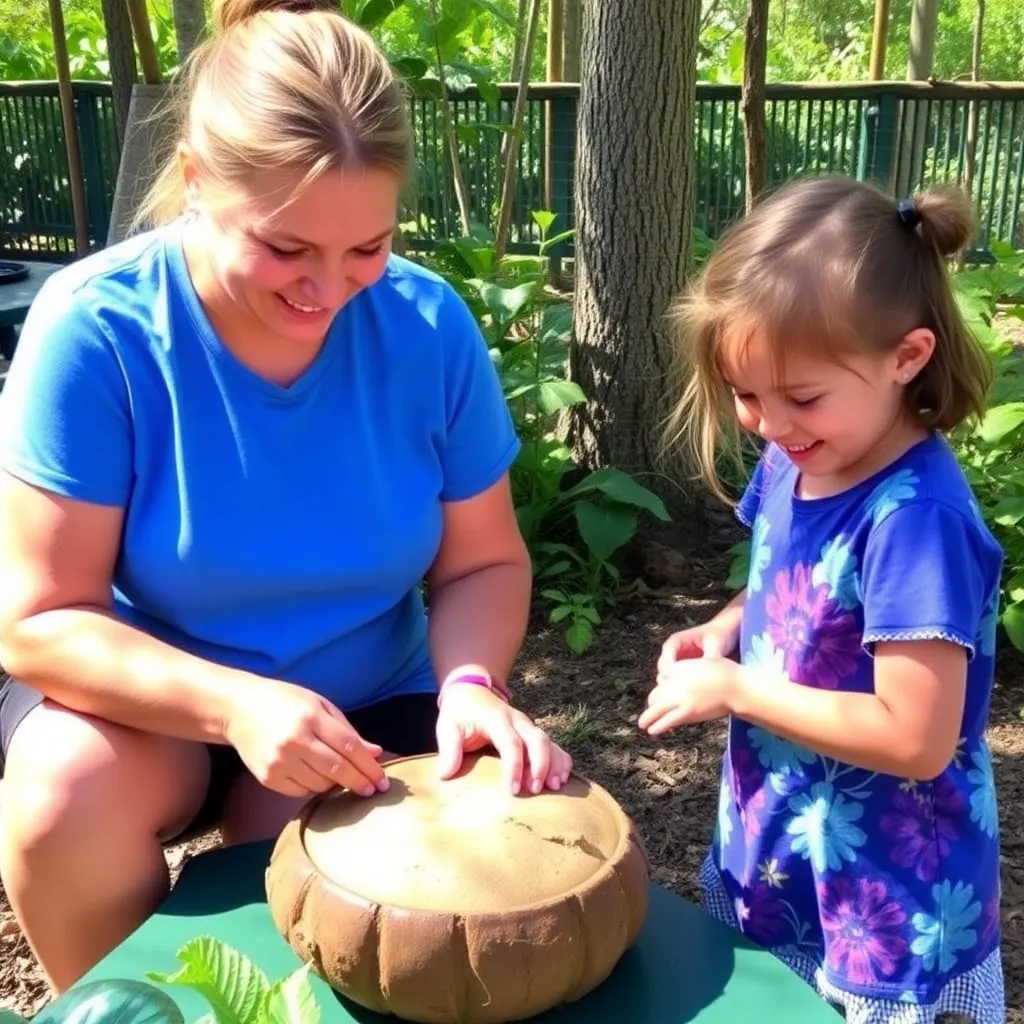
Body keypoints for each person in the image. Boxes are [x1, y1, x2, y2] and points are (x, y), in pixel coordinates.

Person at [0, 0, 572, 994]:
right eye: (285, 247)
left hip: (367, 706)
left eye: (368, 248)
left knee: (327, 895)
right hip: (153, 701)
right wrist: (236, 704)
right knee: (61, 797)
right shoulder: (96, 331)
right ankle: (119, 1012)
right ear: (193, 182)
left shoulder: (426, 327)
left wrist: (472, 685)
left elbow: (483, 558)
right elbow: (41, 620)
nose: (329, 289)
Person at [639, 176, 1005, 1023]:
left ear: (906, 358)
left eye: (801, 396)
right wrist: (726, 631)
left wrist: (735, 692)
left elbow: (916, 738)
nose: (769, 423)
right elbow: (786, 580)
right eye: (746, 395)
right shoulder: (797, 456)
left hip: (885, 884)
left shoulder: (917, 523)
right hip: (789, 847)